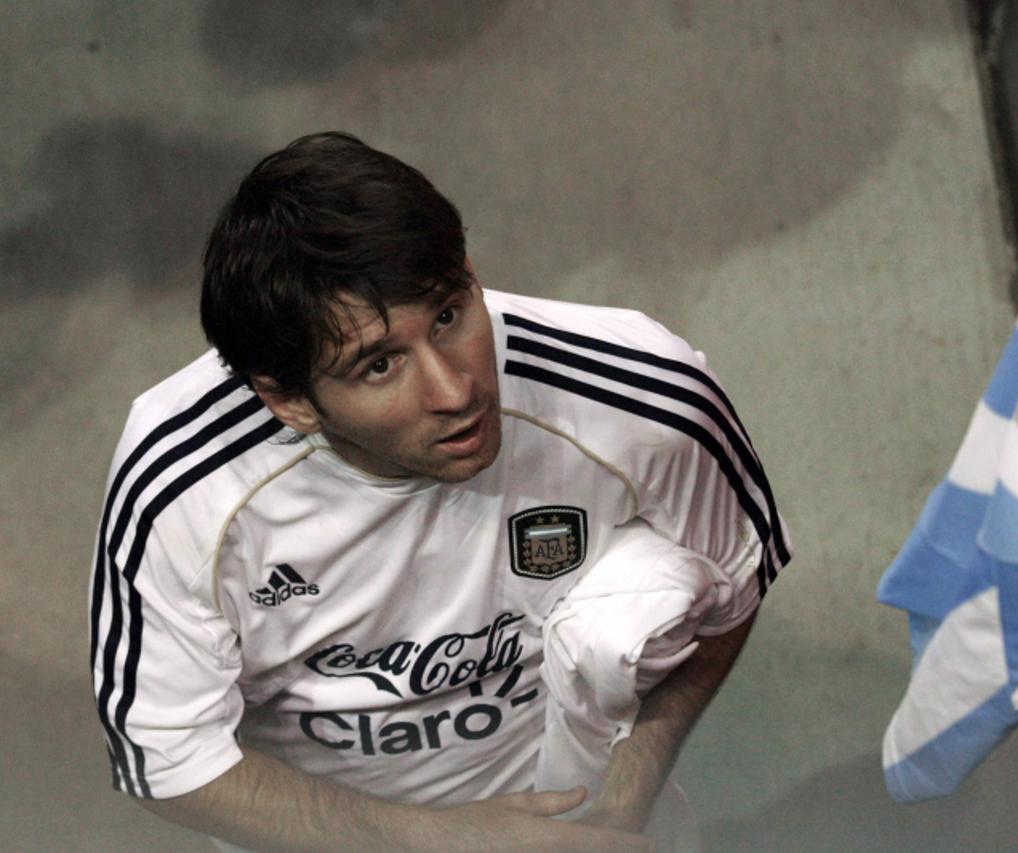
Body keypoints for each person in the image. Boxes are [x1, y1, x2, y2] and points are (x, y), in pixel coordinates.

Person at [88, 131, 791, 851]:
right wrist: (440, 840)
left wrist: (621, 802)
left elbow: (730, 582)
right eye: (380, 365)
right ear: (287, 399)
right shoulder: (184, 485)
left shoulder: (645, 396)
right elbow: (170, 756)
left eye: (450, 316)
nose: (457, 390)